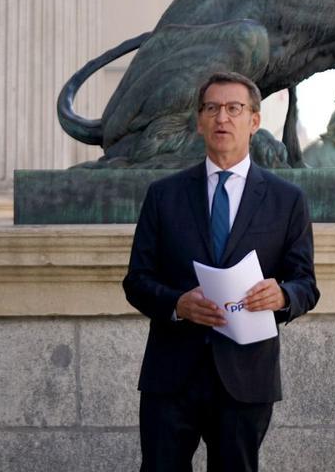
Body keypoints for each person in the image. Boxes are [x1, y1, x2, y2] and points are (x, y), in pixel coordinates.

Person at [122, 71, 320, 472]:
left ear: (255, 121)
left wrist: (283, 295)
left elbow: (306, 285)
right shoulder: (164, 195)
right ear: (199, 122)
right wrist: (177, 304)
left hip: (246, 377)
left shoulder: (287, 200)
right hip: (172, 374)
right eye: (212, 109)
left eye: (234, 109)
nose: (222, 118)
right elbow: (137, 281)